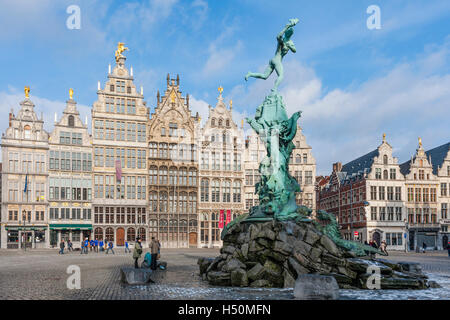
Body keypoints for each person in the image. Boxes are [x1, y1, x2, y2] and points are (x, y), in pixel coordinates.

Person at [245, 18, 299, 92]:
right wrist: (286, 27)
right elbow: (278, 36)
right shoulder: (282, 41)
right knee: (281, 76)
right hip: (277, 60)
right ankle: (275, 88)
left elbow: (294, 50)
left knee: (265, 76)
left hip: (273, 60)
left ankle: (250, 74)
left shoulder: (288, 42)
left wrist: (290, 45)